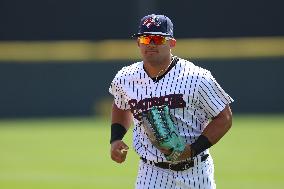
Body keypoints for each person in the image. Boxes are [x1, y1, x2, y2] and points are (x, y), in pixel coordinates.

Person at [109, 14, 233, 189]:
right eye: (145, 38)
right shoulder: (125, 78)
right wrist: (115, 138)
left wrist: (193, 150)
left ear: (172, 43)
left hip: (195, 171)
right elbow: (121, 106)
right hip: (150, 172)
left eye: (158, 38)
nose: (151, 43)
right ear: (138, 43)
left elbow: (224, 117)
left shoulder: (197, 77)